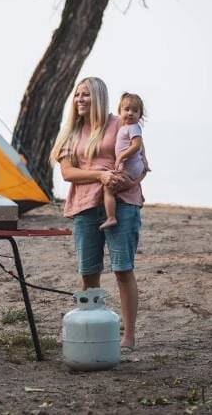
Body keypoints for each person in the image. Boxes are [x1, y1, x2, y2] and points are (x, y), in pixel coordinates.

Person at [50, 77, 148, 350]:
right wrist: (100, 175)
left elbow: (142, 162)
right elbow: (68, 172)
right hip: (84, 206)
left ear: (99, 98)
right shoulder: (71, 131)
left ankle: (128, 336)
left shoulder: (121, 123)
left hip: (123, 203)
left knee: (122, 269)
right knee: (88, 272)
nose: (80, 99)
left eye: (86, 95)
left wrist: (126, 182)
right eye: (77, 95)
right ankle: (91, 329)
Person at [99, 93, 146, 230]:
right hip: (132, 166)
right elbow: (141, 146)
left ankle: (111, 217)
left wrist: (121, 156)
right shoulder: (125, 127)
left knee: (108, 189)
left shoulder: (134, 127)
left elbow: (137, 145)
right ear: (120, 111)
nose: (130, 113)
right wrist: (145, 159)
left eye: (135, 111)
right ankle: (138, 196)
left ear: (140, 115)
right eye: (127, 109)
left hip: (130, 167)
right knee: (123, 184)